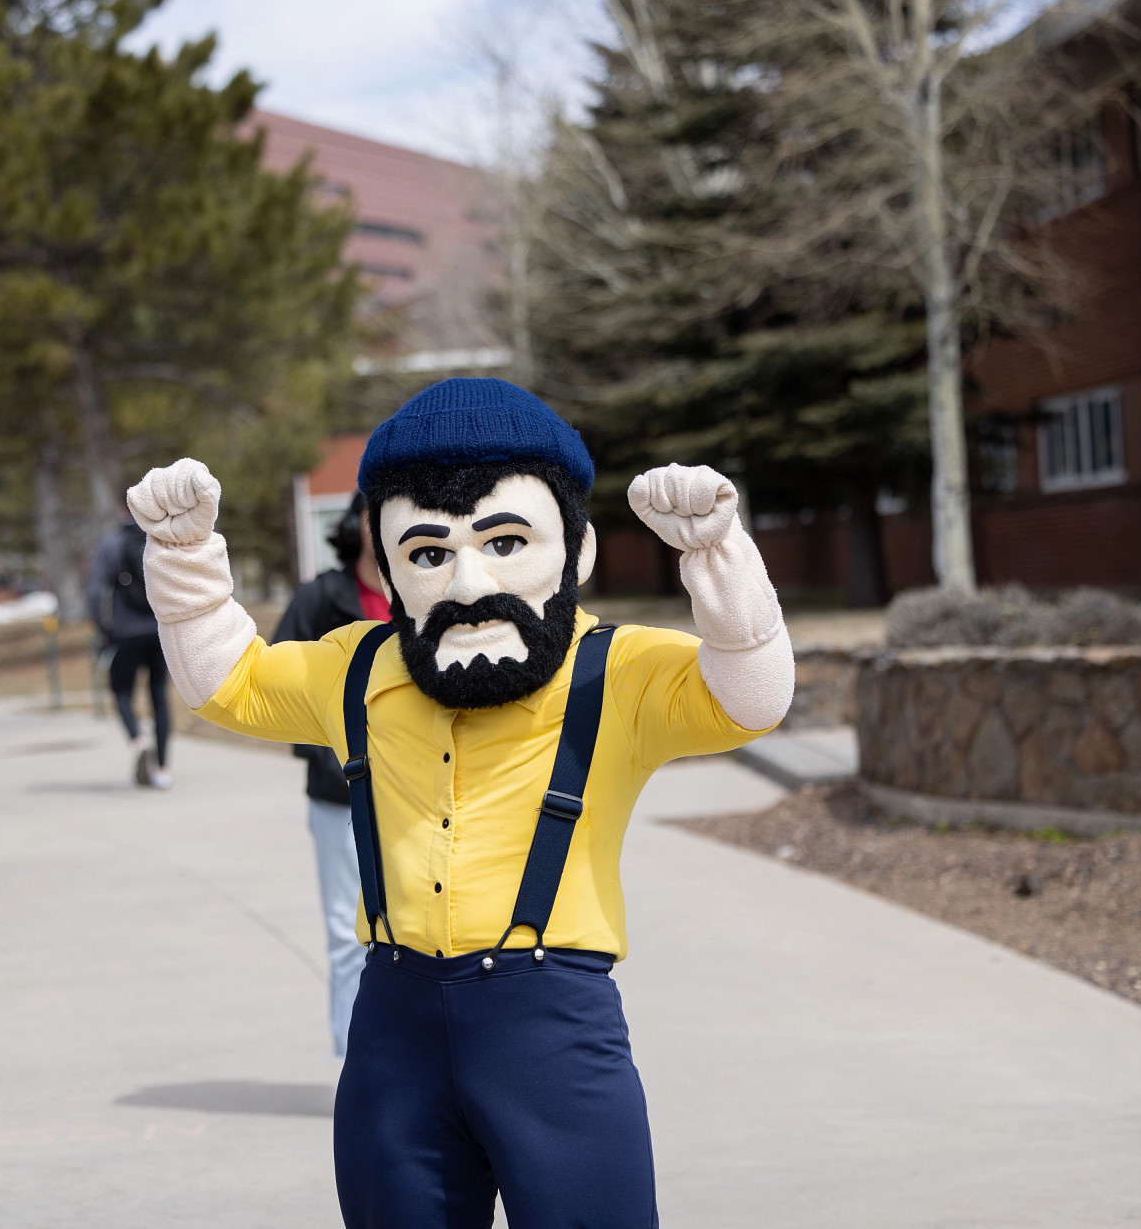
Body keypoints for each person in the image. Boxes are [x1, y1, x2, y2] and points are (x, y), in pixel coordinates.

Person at [126, 378, 794, 1229]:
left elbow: (752, 698)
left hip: (550, 1027)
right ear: (388, 565)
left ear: (577, 550)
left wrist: (720, 559)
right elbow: (226, 682)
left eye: (506, 541)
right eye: (429, 553)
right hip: (393, 1027)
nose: (470, 582)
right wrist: (183, 558)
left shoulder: (616, 671)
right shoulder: (356, 668)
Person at [270, 493, 385, 1058]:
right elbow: (277, 682)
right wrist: (330, 759)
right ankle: (353, 1067)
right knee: (347, 933)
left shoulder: (435, 589)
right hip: (340, 795)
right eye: (374, 509)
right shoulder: (319, 598)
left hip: (424, 795)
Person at [89, 512, 171, 788]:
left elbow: (95, 591)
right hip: (160, 629)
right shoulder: (159, 539)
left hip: (125, 632)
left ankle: (138, 741)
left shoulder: (112, 543)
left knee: (122, 691)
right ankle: (162, 769)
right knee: (158, 695)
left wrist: (103, 629)